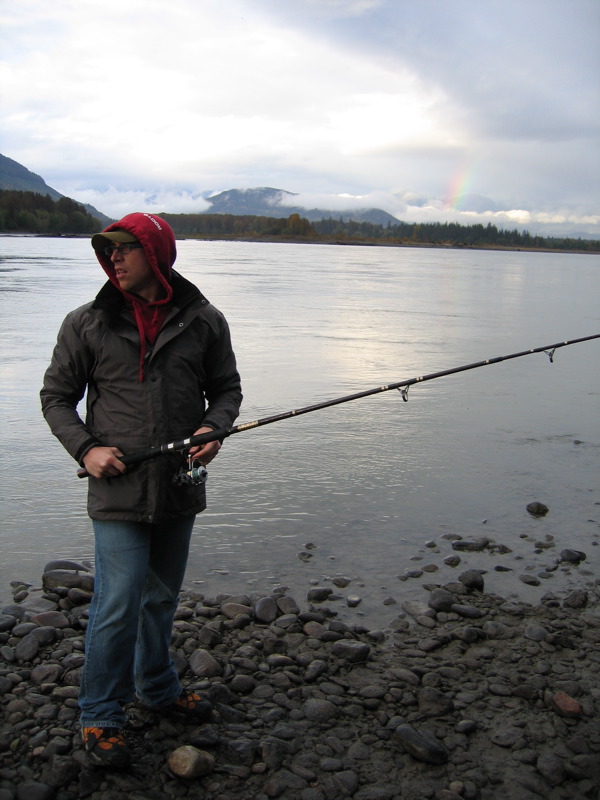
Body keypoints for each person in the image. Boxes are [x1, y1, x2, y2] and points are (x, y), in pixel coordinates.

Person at [40, 212, 242, 767]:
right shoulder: (85, 323)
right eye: (108, 251)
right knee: (118, 601)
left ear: (154, 255)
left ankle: (156, 687)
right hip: (118, 491)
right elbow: (56, 397)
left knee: (160, 598)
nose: (114, 260)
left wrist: (212, 430)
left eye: (124, 250)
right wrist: (86, 449)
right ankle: (100, 714)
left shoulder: (204, 321)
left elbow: (226, 389)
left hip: (180, 486)